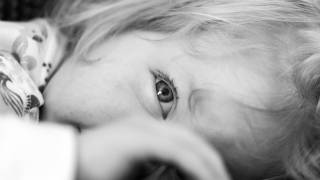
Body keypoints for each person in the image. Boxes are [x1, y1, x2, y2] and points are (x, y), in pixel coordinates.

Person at [3, 0, 320, 180]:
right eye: (164, 94)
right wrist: (70, 160)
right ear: (125, 24)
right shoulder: (11, 73)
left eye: (180, 169)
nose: (143, 147)